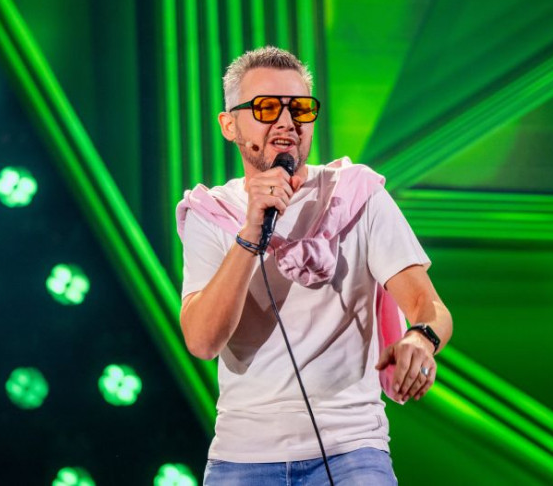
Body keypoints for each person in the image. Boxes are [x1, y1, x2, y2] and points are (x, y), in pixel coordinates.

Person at [177, 46, 452, 485]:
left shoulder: (355, 196)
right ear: (229, 125)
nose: (287, 122)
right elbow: (202, 340)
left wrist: (421, 338)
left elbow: (429, 306)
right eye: (267, 108)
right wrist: (251, 232)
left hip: (352, 450)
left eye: (300, 108)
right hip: (243, 456)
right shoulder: (212, 212)